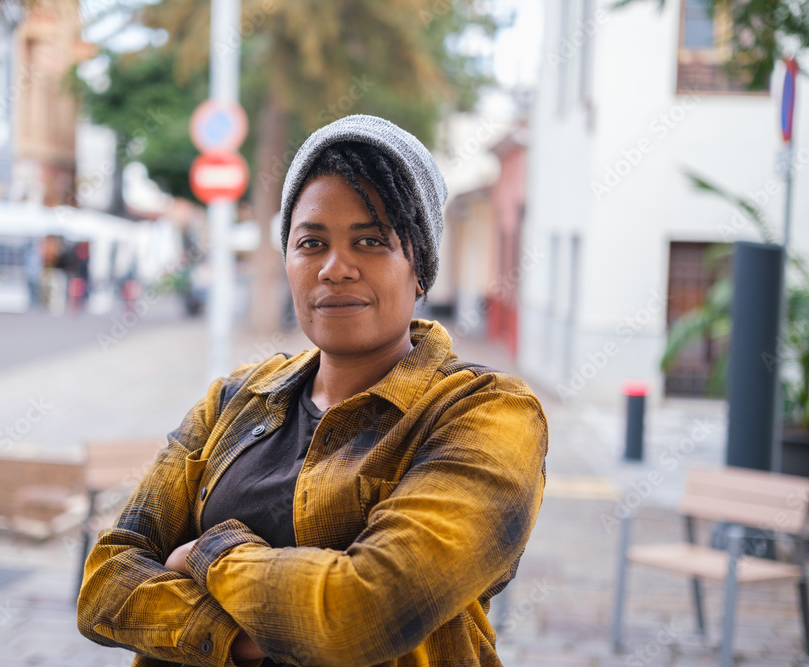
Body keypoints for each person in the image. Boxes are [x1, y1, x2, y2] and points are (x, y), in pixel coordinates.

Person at [77, 115, 548, 667]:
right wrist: (240, 638)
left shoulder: (487, 416)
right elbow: (104, 582)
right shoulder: (234, 400)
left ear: (419, 266)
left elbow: (363, 612)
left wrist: (213, 551)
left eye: (371, 240)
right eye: (311, 242)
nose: (334, 268)